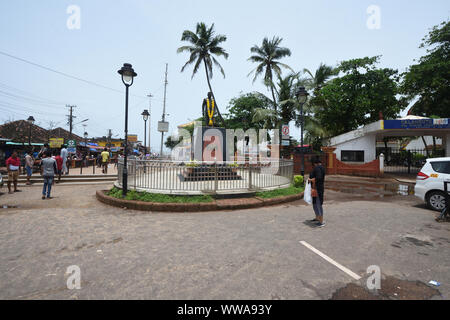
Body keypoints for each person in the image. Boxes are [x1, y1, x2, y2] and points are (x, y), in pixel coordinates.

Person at [308, 158, 326, 227]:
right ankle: (317, 218)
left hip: (317, 189)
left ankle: (321, 221)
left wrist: (310, 180)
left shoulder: (318, 168)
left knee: (318, 203)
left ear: (315, 163)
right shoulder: (321, 168)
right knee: (315, 203)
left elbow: (318, 178)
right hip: (317, 188)